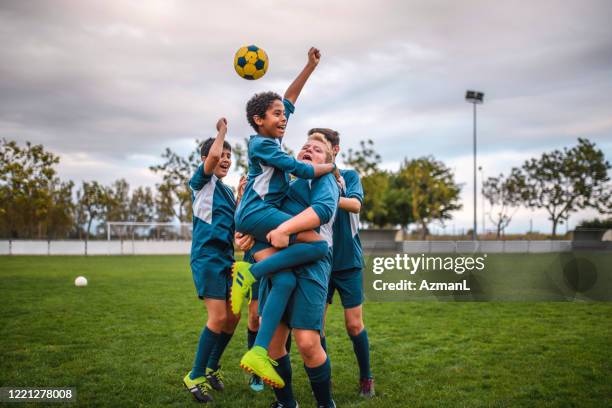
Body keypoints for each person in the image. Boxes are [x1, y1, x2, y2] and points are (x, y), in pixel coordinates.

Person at [310, 128, 374, 397]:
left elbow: (356, 206)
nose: (314, 148)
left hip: (347, 263)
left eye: (320, 144)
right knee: (316, 326)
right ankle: (325, 379)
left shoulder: (348, 177)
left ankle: (366, 378)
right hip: (318, 261)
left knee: (353, 325)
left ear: (334, 150)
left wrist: (329, 197)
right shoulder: (308, 180)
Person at [183, 118, 241, 403]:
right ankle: (194, 375)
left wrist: (241, 198)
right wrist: (222, 132)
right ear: (205, 159)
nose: (226, 160)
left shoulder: (227, 192)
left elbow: (238, 224)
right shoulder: (201, 183)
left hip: (227, 259)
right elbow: (214, 154)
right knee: (218, 317)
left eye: (230, 157)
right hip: (207, 258)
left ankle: (212, 366)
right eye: (222, 155)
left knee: (234, 316)